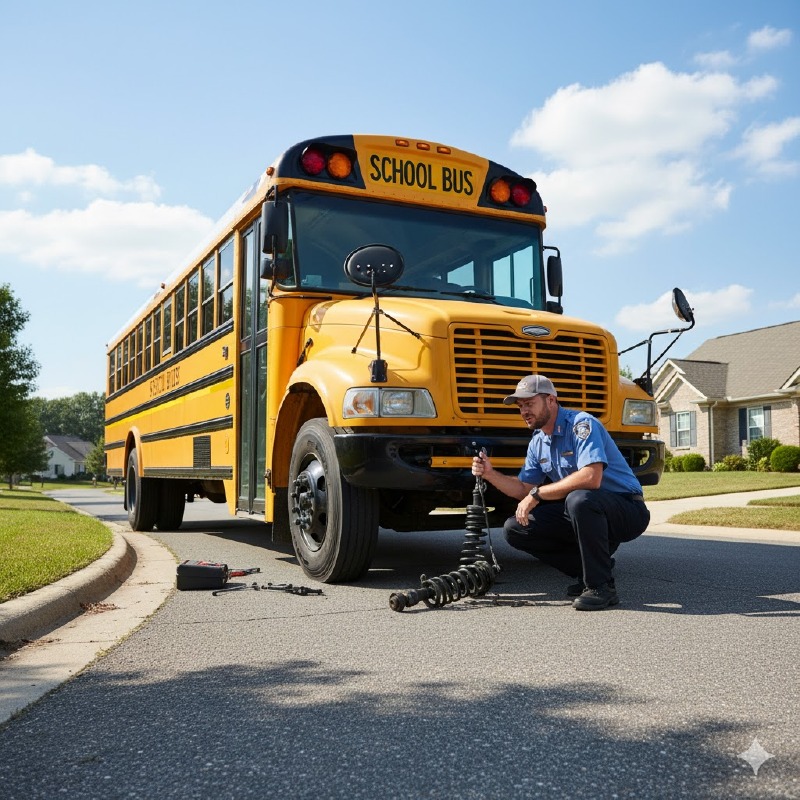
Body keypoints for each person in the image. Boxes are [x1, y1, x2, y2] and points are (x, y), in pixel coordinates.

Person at [471, 374, 650, 610]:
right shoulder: (538, 442)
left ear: (551, 401)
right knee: (515, 528)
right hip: (585, 510)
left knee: (579, 498)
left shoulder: (581, 424)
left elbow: (591, 477)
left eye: (530, 403)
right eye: (521, 406)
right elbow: (523, 489)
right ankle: (591, 570)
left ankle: (600, 587)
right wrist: (490, 474)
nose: (524, 411)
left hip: (627, 509)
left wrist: (537, 494)